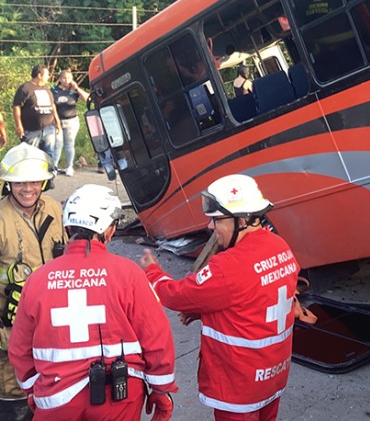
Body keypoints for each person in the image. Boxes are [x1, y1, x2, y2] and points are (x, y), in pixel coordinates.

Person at [8, 184, 177, 420]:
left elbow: (20, 348)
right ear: (108, 231)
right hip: (119, 397)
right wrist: (162, 388)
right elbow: (156, 337)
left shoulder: (38, 279)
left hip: (57, 399)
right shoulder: (128, 273)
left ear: (68, 228)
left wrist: (34, 388)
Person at [140, 174, 299, 420]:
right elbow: (252, 299)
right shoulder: (281, 247)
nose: (210, 227)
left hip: (238, 384)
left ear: (242, 220)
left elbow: (176, 295)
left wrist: (152, 271)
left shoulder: (228, 266)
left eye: (217, 220)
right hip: (272, 374)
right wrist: (204, 310)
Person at [0, 144, 66, 420]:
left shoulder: (53, 208)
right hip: (10, 327)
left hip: (52, 323)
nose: (27, 188)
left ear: (45, 181)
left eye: (34, 181)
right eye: (19, 182)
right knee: (12, 391)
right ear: (8, 183)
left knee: (52, 386)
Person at [12, 65, 61, 160]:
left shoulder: (46, 89)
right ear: (39, 75)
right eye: (47, 74)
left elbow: (52, 105)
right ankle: (31, 174)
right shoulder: (25, 88)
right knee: (30, 156)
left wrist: (57, 122)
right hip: (31, 130)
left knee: (48, 155)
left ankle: (49, 174)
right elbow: (16, 106)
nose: (49, 76)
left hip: (48, 129)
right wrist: (19, 125)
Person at [51, 69, 89, 176]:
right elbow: (52, 105)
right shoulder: (54, 90)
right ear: (60, 79)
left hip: (71, 121)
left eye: (69, 78)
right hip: (58, 121)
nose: (66, 80)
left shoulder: (73, 91)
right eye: (64, 78)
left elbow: (87, 99)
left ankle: (69, 166)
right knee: (57, 144)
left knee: (69, 144)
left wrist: (77, 88)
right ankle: (54, 167)